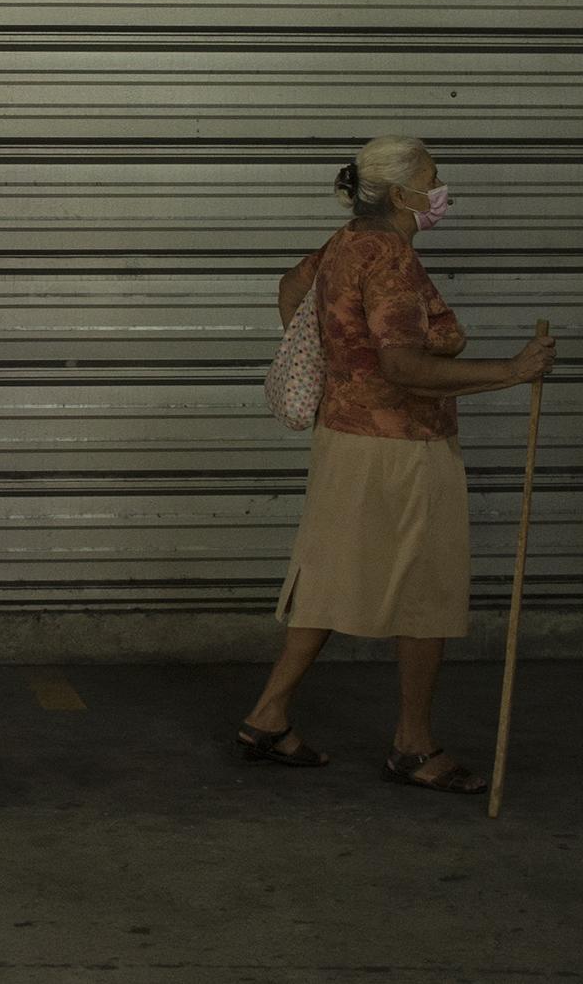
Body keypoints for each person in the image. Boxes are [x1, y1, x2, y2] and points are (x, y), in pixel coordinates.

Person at [237, 135, 557, 794]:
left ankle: (269, 714)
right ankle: (413, 745)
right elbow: (404, 367)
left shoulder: (345, 241)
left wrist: (337, 370)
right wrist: (512, 370)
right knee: (425, 588)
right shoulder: (390, 256)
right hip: (402, 446)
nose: (443, 192)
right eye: (434, 179)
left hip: (346, 438)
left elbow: (290, 287)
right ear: (404, 192)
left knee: (328, 571)